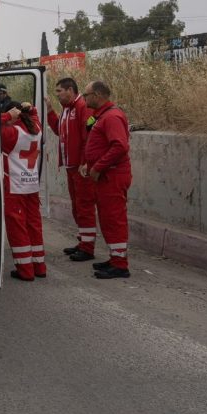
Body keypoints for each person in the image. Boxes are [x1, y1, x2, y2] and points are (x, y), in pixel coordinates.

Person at [79, 81, 133, 279]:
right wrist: (89, 164)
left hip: (112, 175)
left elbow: (119, 146)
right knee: (107, 218)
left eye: (86, 95)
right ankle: (115, 258)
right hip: (106, 175)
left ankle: (120, 264)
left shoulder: (111, 117)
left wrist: (98, 167)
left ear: (98, 95)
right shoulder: (102, 116)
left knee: (114, 219)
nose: (84, 99)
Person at [45, 78, 97, 260]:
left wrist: (85, 162)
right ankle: (83, 241)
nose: (57, 94)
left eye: (59, 91)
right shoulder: (67, 110)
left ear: (70, 90)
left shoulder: (83, 107)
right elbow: (60, 131)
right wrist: (50, 111)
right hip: (71, 167)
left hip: (80, 168)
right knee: (77, 206)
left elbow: (89, 138)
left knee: (84, 206)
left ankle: (88, 248)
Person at [1, 102, 46, 280]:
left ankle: (25, 271)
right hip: (32, 186)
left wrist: (6, 116)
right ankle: (39, 267)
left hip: (15, 187)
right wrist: (31, 109)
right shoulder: (36, 127)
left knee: (17, 228)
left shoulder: (11, 133)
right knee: (34, 225)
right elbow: (35, 116)